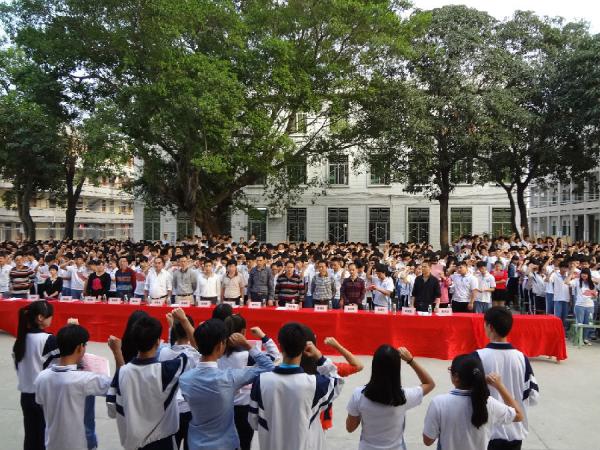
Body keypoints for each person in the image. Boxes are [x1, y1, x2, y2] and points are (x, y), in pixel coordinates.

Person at [179, 319, 275, 450]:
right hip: (225, 444)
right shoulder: (230, 378)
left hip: (195, 442)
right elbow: (268, 366)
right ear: (220, 345)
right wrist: (247, 345)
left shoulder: (184, 379)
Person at [248, 322, 344, 450]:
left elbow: (253, 421)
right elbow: (337, 380)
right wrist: (319, 357)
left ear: (280, 346)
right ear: (305, 348)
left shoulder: (261, 381)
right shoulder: (315, 384)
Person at [34, 324, 124, 450]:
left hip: (52, 443)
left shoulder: (41, 378)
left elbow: (41, 404)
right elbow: (121, 384)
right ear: (80, 347)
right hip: (81, 444)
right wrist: (117, 352)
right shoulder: (86, 380)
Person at [107, 314, 188, 450]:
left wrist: (117, 353)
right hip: (162, 442)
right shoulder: (167, 370)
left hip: (133, 444)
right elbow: (196, 351)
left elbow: (111, 410)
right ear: (158, 342)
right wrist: (181, 323)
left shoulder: (122, 373)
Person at [423, 354, 524, 450]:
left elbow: (428, 441)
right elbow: (519, 415)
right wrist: (499, 386)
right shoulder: (490, 403)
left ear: (456, 377)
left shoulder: (439, 403)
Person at [346, 345, 435, 450]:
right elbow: (429, 383)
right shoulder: (404, 396)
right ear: (397, 369)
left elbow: (350, 428)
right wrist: (410, 360)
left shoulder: (358, 395)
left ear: (374, 366)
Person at [476, 307, 540, 450]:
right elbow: (533, 396)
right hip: (514, 432)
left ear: (490, 327)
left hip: (487, 433)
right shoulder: (522, 358)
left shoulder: (477, 357)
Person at [217, 315, 280, 450]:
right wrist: (263, 336)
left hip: (221, 406)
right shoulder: (247, 356)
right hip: (243, 407)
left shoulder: (217, 353)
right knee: (244, 443)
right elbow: (275, 356)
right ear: (243, 332)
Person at [13, 300, 59, 450]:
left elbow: (18, 367)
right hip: (43, 396)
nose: (52, 319)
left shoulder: (20, 341)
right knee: (44, 437)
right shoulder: (49, 340)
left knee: (31, 436)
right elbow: (60, 365)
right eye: (50, 316)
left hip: (26, 395)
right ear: (41, 317)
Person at [159, 311, 201, 450]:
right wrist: (182, 322)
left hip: (170, 409)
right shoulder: (194, 355)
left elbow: (172, 345)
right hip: (189, 409)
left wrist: (173, 326)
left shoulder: (164, 352)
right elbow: (197, 345)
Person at [567, 267, 597, 345]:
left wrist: (594, 295)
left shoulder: (592, 283)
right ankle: (578, 339)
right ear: (580, 274)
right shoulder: (577, 281)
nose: (584, 275)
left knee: (588, 324)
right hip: (579, 305)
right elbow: (566, 282)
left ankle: (585, 339)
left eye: (586, 274)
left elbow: (595, 296)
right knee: (579, 323)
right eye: (583, 273)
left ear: (589, 275)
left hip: (590, 306)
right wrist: (571, 273)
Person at [550, 261, 570, 331]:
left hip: (566, 298)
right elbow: (547, 280)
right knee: (557, 316)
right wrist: (551, 272)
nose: (565, 269)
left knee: (564, 316)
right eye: (563, 267)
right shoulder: (555, 275)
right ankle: (555, 330)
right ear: (560, 268)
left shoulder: (569, 275)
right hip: (558, 298)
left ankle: (562, 330)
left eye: (566, 268)